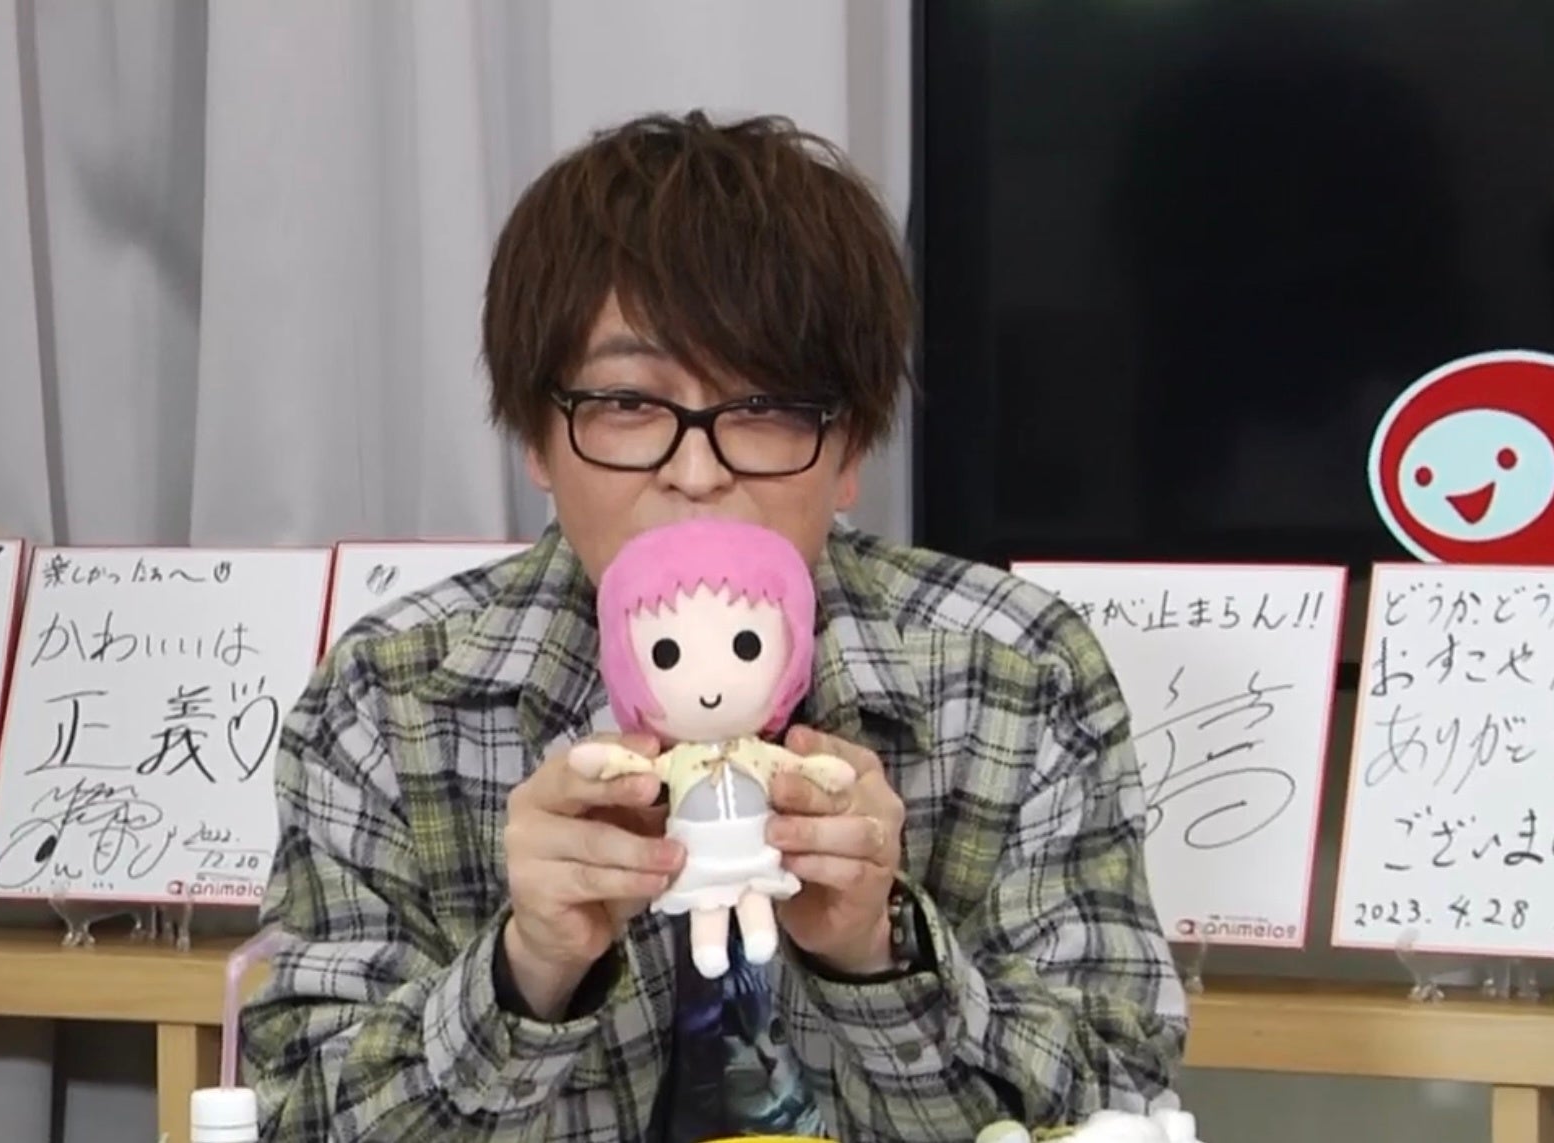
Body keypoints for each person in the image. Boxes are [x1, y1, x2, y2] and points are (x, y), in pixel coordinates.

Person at [240, 109, 1189, 1142]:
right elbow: (293, 1115)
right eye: (628, 402)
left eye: (766, 406)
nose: (696, 472)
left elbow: (1122, 1099)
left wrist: (876, 950)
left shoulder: (1017, 672)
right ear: (536, 440)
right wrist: (525, 971)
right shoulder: (388, 698)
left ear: (850, 449)